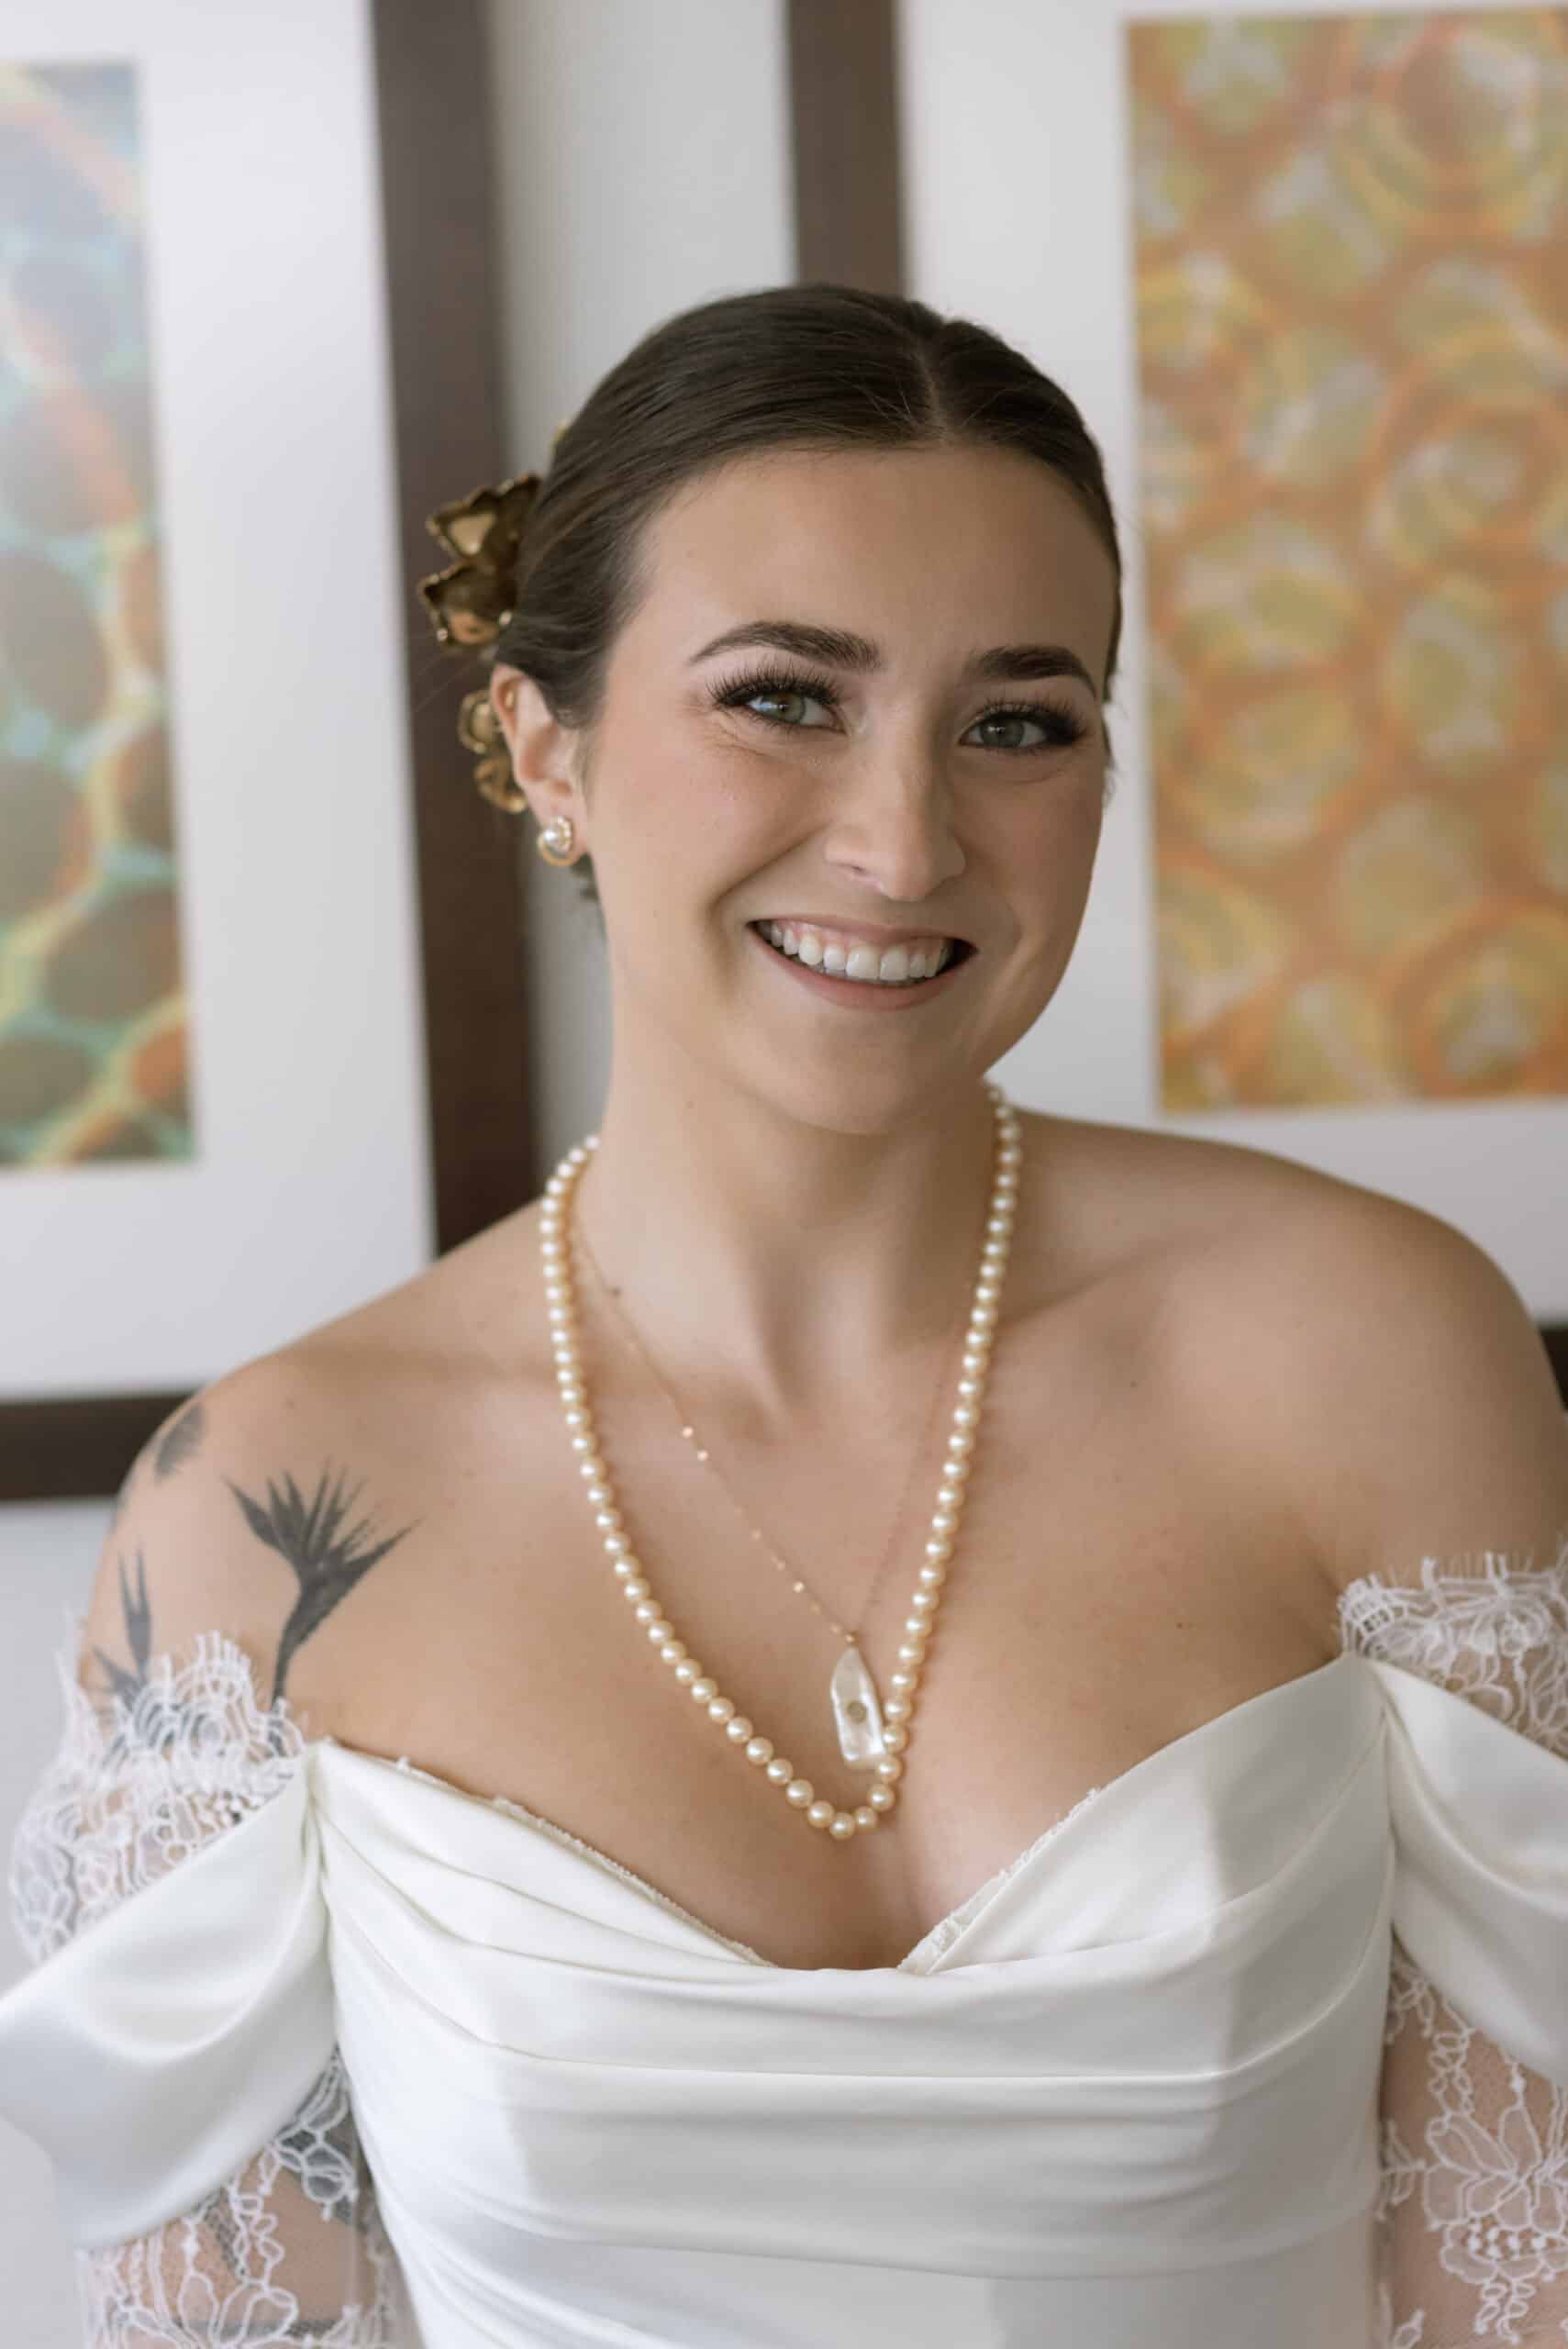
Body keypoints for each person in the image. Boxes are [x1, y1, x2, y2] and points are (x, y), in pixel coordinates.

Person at [2, 283, 1565, 2349]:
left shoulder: (1368, 1353)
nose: (903, 843)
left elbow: (1524, 2255)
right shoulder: (252, 1517)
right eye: (782, 698)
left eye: (1018, 723)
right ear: (545, 747)